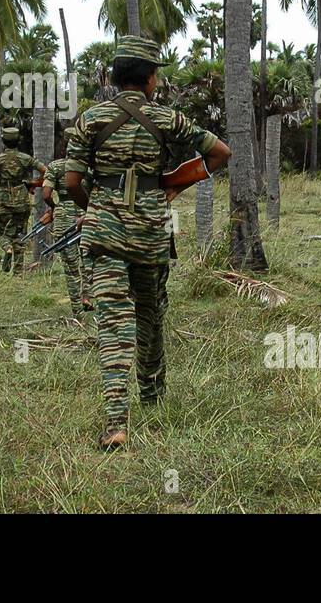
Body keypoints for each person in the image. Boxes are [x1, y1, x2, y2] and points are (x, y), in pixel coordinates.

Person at [66, 36, 231, 451]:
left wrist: (95, 208)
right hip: (151, 233)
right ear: (152, 79)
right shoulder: (167, 118)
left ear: (112, 77)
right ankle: (153, 395)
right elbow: (219, 153)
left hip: (104, 233)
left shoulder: (90, 120)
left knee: (113, 324)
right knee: (150, 315)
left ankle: (117, 421)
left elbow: (70, 183)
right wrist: (170, 187)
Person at [41, 127, 92, 316]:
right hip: (87, 214)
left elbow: (46, 194)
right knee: (89, 258)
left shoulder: (55, 167)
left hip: (63, 215)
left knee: (70, 267)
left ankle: (77, 310)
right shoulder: (88, 166)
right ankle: (88, 295)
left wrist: (54, 207)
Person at [0, 126, 45, 274]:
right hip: (22, 200)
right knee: (20, 234)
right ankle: (18, 272)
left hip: (2, 201)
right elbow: (46, 170)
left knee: (2, 234)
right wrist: (33, 183)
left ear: (4, 141)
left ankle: (7, 248)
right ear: (18, 141)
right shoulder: (25, 158)